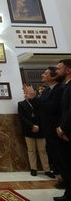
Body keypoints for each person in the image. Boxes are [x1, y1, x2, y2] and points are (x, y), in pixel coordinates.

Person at [24, 67, 63, 185]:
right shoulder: (46, 91)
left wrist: (33, 97)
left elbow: (50, 107)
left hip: (58, 129)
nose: (42, 75)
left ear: (54, 76)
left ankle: (65, 181)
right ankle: (62, 181)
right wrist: (31, 98)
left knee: (62, 157)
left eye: (45, 73)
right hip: (48, 130)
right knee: (55, 157)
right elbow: (40, 108)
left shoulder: (61, 89)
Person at [17, 94, 53, 178]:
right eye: (26, 94)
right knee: (31, 150)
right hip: (29, 130)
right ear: (24, 95)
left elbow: (42, 115)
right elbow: (22, 117)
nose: (28, 95)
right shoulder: (21, 104)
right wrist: (32, 126)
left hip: (40, 130)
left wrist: (38, 125)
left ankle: (47, 169)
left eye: (29, 94)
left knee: (42, 150)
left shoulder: (38, 103)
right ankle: (33, 169)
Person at [53, 59, 71, 201]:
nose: (57, 71)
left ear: (68, 69)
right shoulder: (65, 86)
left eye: (59, 68)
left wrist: (63, 128)